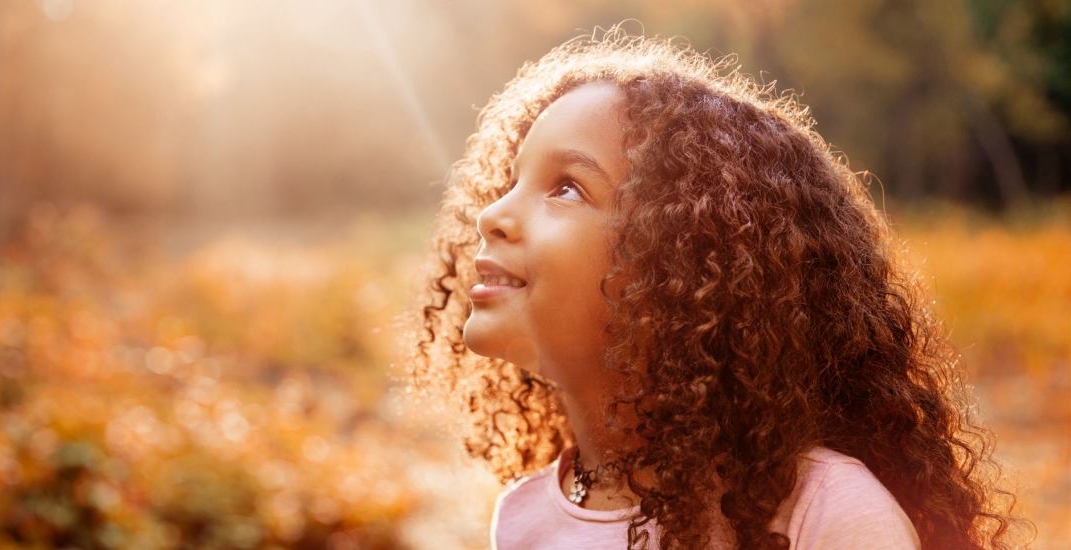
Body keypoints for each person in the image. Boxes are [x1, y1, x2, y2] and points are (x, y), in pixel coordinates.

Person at [408, 30, 1022, 549]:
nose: (492, 214)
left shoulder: (828, 513)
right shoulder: (521, 521)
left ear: (678, 264)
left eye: (566, 187)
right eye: (510, 181)